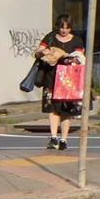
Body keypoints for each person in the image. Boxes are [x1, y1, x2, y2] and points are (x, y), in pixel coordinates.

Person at [36, 15, 86, 151]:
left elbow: (80, 59)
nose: (64, 30)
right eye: (62, 27)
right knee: (52, 108)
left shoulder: (77, 40)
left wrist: (65, 56)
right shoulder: (50, 37)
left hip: (68, 80)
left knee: (66, 110)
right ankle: (53, 137)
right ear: (57, 26)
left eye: (67, 27)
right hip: (51, 77)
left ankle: (63, 139)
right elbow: (37, 52)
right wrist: (43, 52)